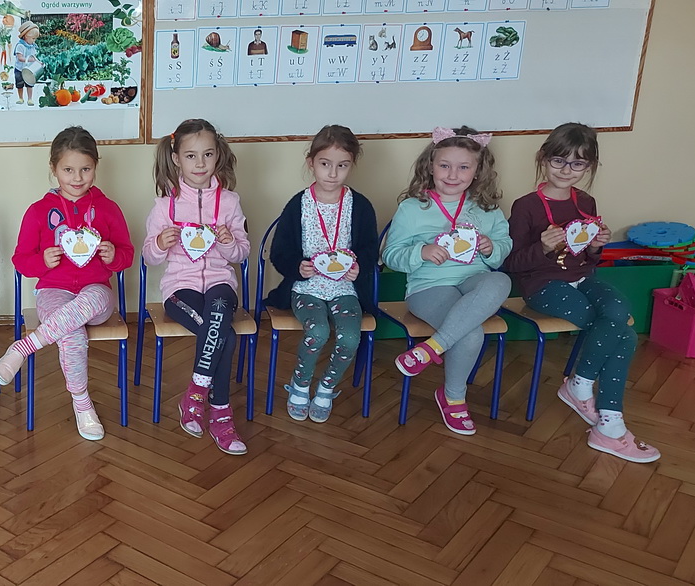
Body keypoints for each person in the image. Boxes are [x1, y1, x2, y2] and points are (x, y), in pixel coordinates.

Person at [502, 123, 658, 462]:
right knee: (624, 333)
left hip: (582, 278)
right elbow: (510, 263)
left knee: (619, 309)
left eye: (577, 163)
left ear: (590, 166)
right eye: (558, 160)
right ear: (543, 158)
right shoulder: (526, 206)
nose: (566, 170)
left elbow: (587, 257)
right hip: (542, 286)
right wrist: (543, 248)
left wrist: (597, 246)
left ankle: (583, 386)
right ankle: (608, 420)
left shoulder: (585, 201)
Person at [0, 126, 135, 440]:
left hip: (95, 293)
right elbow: (21, 260)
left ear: (96, 166)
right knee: (72, 332)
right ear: (54, 168)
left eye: (86, 169)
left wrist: (114, 255)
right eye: (68, 169)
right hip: (53, 291)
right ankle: (82, 404)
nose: (77, 177)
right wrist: (42, 261)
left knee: (94, 299)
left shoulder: (108, 209)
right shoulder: (38, 211)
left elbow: (127, 255)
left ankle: (25, 347)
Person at [382, 126, 512, 436]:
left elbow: (504, 247)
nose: (453, 175)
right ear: (430, 166)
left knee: (500, 281)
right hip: (428, 288)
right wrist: (421, 252)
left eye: (464, 167)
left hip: (475, 283)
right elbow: (390, 255)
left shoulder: (487, 209)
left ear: (478, 171)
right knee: (470, 333)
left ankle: (432, 348)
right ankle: (453, 397)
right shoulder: (412, 208)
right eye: (445, 165)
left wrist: (491, 248)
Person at [143, 119, 250, 455]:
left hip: (220, 283)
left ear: (218, 155)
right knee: (225, 336)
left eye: (208, 154)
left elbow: (241, 253)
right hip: (180, 289)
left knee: (220, 310)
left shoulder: (230, 202)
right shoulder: (165, 206)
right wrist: (160, 243)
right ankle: (220, 410)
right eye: (191, 156)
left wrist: (229, 242)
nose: (200, 163)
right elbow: (149, 257)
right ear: (176, 159)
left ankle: (196, 393)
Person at [266, 124, 379, 423]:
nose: (333, 173)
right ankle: (301, 384)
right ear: (311, 163)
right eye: (325, 164)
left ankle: (326, 388)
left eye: (342, 165)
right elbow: (279, 252)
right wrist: (297, 267)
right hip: (306, 288)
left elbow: (370, 248)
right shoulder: (298, 205)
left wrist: (359, 267)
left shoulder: (360, 206)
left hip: (345, 289)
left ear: (352, 165)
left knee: (350, 337)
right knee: (317, 332)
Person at [13, 21, 40, 106]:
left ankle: (30, 99)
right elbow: (20, 58)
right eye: (33, 38)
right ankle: (21, 98)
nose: (34, 40)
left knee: (29, 84)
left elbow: (34, 57)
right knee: (19, 84)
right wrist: (29, 60)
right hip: (20, 69)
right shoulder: (20, 46)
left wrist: (39, 62)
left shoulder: (32, 46)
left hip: (28, 70)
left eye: (35, 39)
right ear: (25, 36)